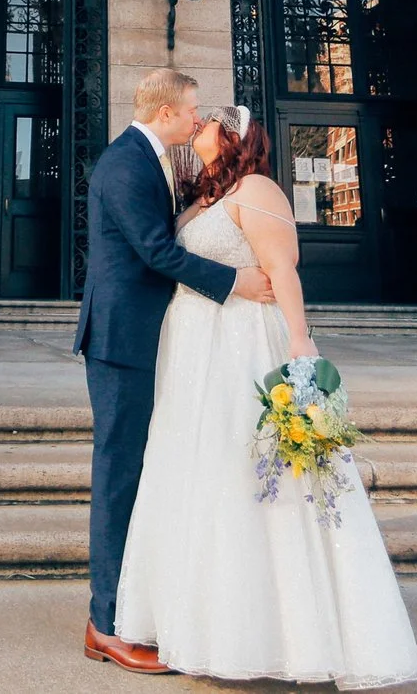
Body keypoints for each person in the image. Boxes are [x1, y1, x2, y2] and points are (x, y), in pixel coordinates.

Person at [114, 106, 417, 688]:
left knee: (248, 472)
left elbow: (284, 270)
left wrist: (301, 347)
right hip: (191, 353)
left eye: (208, 121)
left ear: (233, 135)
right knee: (198, 474)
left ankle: (278, 630)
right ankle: (196, 621)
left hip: (240, 346)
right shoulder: (205, 195)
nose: (197, 126)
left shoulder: (257, 189)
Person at [76, 69, 275, 674]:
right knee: (118, 477)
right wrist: (234, 282)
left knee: (144, 474)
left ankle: (136, 608)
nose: (198, 120)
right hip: (122, 340)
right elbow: (155, 252)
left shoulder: (153, 159)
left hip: (149, 337)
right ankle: (104, 624)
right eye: (192, 110)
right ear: (166, 112)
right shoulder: (125, 164)